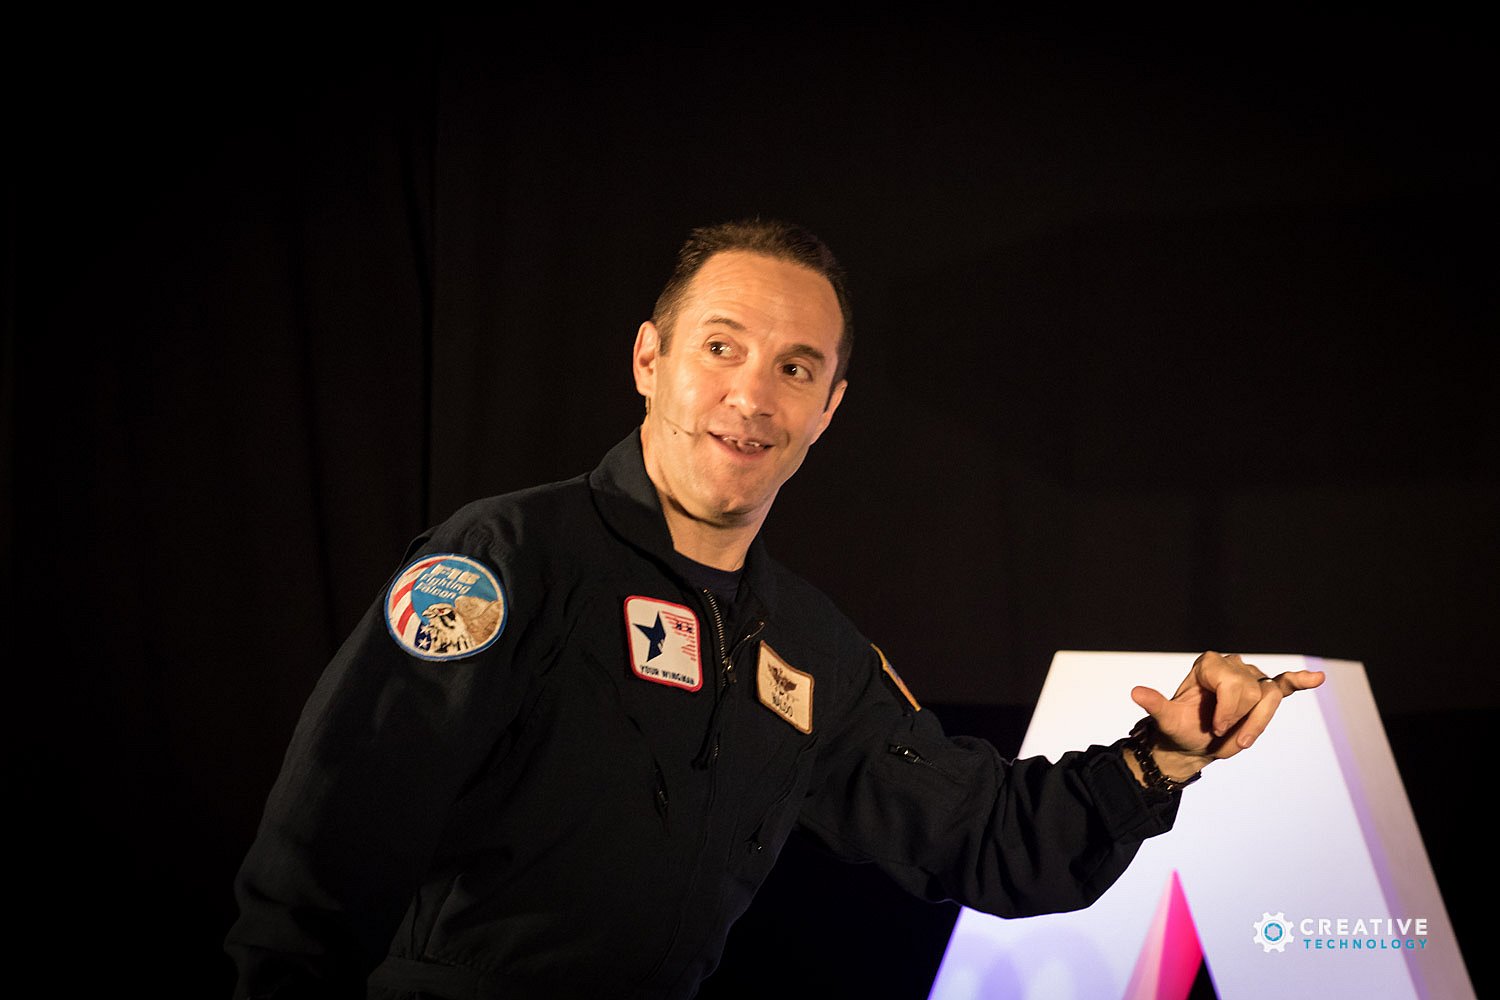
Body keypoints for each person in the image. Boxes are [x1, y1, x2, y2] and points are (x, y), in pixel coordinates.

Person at [227, 220, 1323, 999]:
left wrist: (1160, 759)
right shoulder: (504, 560)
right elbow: (325, 849)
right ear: (649, 359)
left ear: (829, 409)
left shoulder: (808, 648)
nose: (752, 396)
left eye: (796, 369)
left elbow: (983, 836)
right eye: (721, 348)